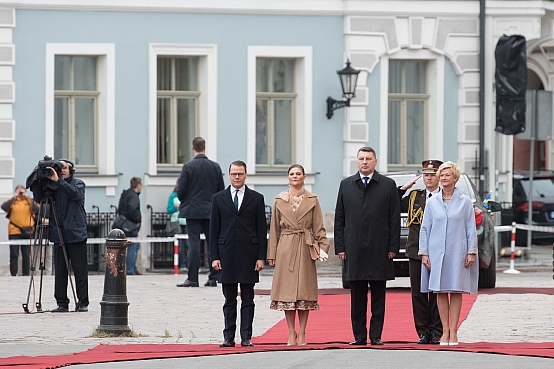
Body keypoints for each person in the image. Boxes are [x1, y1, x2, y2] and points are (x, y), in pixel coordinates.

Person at [334, 146, 400, 346]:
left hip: (380, 248)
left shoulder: (388, 185)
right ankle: (359, 336)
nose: (364, 162)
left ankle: (376, 335)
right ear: (357, 161)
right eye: (361, 158)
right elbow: (339, 219)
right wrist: (340, 247)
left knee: (379, 297)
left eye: (368, 158)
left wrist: (393, 247)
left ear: (375, 161)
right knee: (357, 297)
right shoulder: (346, 185)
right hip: (354, 249)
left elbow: (394, 218)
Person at [267, 164, 330, 346]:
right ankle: (290, 332)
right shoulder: (279, 199)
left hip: (305, 246)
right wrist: (272, 254)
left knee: (304, 292)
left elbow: (319, 227)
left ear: (303, 177)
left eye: (298, 174)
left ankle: (302, 332)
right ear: (288, 177)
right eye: (292, 174)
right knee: (287, 293)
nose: (295, 176)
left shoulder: (313, 199)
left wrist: (323, 247)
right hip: (285, 248)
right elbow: (274, 230)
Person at [419, 161, 478, 346]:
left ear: (455, 178)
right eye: (441, 175)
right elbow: (425, 228)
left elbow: (471, 228)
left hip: (457, 251)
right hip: (436, 252)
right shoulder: (432, 202)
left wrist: (471, 251)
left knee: (456, 289)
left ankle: (454, 331)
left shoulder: (465, 202)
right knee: (440, 290)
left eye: (447, 175)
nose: (443, 178)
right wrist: (424, 252)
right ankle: (444, 331)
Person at [209, 160, 267, 347]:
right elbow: (213, 230)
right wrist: (214, 256)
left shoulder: (256, 198)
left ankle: (246, 336)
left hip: (249, 255)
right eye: (234, 174)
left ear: (246, 175)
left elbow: (260, 229)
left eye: (240, 174)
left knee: (248, 299)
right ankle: (228, 337)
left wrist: (261, 257)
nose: (237, 177)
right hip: (226, 254)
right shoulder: (219, 198)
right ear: (229, 175)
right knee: (229, 299)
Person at [32, 159, 89, 312]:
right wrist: (39, 180)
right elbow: (39, 200)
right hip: (59, 234)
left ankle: (83, 302)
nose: (62, 170)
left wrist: (59, 182)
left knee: (79, 270)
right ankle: (62, 303)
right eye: (60, 168)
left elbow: (75, 194)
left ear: (71, 170)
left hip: (76, 234)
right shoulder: (53, 187)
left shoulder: (78, 183)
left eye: (65, 167)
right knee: (60, 270)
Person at [398, 160, 443, 345]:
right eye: (426, 175)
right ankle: (423, 331)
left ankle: (436, 331)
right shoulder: (415, 196)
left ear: (439, 176)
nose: (429, 178)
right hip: (416, 250)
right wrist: (403, 188)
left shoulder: (445, 196)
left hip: (439, 250)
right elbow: (391, 203)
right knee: (418, 292)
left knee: (437, 291)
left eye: (432, 174)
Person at [176, 137, 224, 288]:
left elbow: (181, 190)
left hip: (192, 210)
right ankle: (213, 277)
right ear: (204, 147)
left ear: (193, 148)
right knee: (212, 244)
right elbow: (221, 190)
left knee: (194, 244)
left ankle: (192, 278)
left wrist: (185, 200)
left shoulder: (188, 167)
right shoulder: (215, 167)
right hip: (210, 210)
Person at [2, 184, 39, 276]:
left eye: (22, 189)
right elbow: (3, 207)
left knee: (26, 255)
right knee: (14, 254)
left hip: (27, 231)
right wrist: (14, 197)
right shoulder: (12, 201)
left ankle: (25, 274)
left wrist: (28, 198)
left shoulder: (29, 201)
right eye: (18, 189)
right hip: (14, 231)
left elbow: (37, 209)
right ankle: (13, 274)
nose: (20, 191)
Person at [118, 177, 142, 275]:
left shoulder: (125, 194)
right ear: (138, 185)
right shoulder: (134, 196)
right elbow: (133, 209)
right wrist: (138, 219)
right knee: (133, 246)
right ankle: (130, 270)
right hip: (130, 225)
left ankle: (133, 267)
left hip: (123, 223)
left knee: (135, 246)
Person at [167, 181, 187, 270]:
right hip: (177, 222)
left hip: (187, 222)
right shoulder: (173, 196)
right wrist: (175, 207)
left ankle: (191, 264)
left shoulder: (188, 195)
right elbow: (169, 210)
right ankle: (181, 264)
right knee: (179, 245)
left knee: (189, 244)